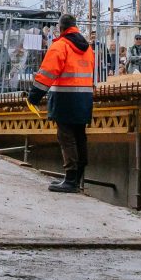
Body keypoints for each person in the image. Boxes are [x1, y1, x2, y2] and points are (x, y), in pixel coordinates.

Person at [26, 14, 96, 193]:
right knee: (80, 136)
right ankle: (78, 177)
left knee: (66, 138)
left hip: (65, 98)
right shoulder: (88, 48)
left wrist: (34, 96)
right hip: (85, 98)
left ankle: (70, 179)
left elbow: (47, 73)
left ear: (61, 28)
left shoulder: (60, 46)